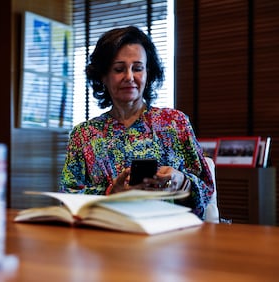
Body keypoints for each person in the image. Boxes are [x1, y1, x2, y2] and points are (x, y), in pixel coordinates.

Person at [58, 26, 214, 219]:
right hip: (105, 235)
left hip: (169, 234)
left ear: (148, 74)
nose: (129, 77)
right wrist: (110, 193)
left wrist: (181, 181)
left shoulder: (175, 123)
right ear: (103, 76)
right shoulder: (84, 134)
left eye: (138, 68)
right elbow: (67, 198)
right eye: (119, 69)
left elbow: (206, 189)